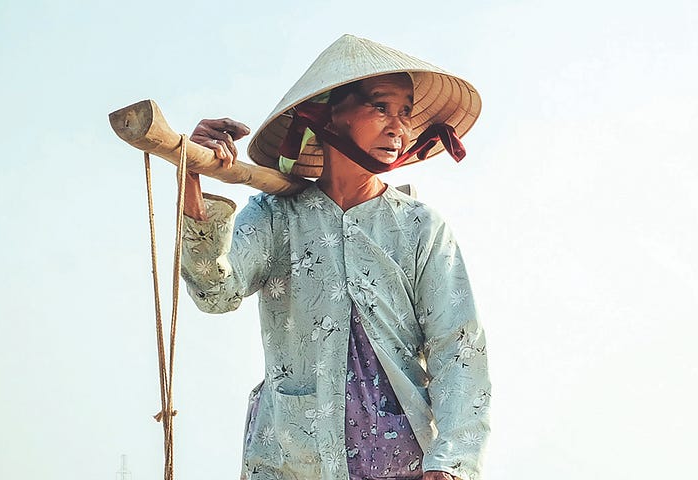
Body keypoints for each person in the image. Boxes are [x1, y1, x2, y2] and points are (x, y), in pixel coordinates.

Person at [175, 35, 490, 480]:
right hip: (289, 460)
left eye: (404, 112)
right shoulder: (274, 216)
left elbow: (458, 349)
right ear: (331, 114)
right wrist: (191, 177)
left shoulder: (420, 228)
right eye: (381, 107)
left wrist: (451, 464)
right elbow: (213, 293)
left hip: (398, 462)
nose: (398, 127)